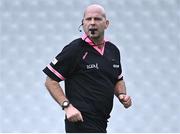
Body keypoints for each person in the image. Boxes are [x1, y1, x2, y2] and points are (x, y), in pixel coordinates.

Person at [43, 4, 132, 133]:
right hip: (80, 123)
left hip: (101, 123)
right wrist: (67, 107)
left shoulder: (113, 50)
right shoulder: (74, 50)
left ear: (106, 24)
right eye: (88, 19)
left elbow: (118, 79)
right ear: (83, 23)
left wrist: (122, 95)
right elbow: (50, 81)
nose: (92, 23)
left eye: (97, 19)